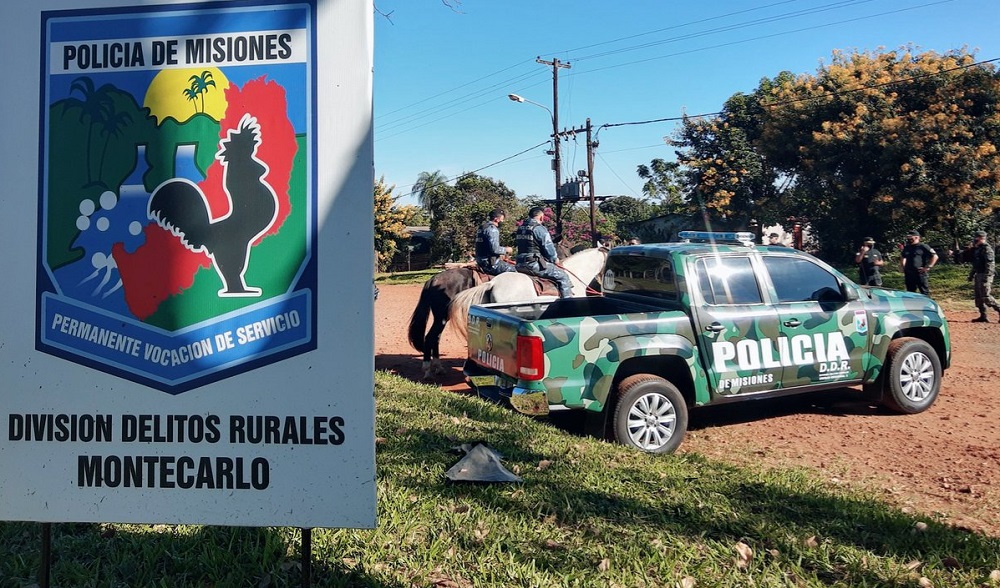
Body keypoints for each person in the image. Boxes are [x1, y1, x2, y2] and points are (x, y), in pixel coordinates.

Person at [515, 206, 574, 298]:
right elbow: (548, 247)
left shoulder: (520, 228)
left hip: (519, 264)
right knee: (563, 276)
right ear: (541, 217)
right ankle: (567, 302)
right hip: (533, 264)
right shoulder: (539, 229)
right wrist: (555, 259)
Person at [968, 230, 1000, 323]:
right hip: (978, 274)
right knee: (978, 297)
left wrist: (986, 277)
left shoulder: (987, 249)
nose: (975, 239)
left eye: (977, 238)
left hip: (985, 275)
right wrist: (971, 275)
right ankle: (983, 316)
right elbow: (976, 264)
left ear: (982, 238)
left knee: (986, 296)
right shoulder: (978, 249)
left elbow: (990, 264)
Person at [473, 208, 516, 275]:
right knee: (515, 271)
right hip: (489, 263)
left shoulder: (482, 227)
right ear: (496, 219)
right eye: (502, 219)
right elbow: (495, 249)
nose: (502, 221)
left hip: (480, 261)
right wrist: (507, 250)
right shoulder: (492, 229)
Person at [900, 229, 938, 295]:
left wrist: (928, 267)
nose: (909, 239)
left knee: (924, 292)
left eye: (910, 237)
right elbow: (903, 257)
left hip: (920, 273)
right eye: (908, 237)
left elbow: (935, 256)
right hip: (909, 273)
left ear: (916, 237)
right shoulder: (907, 247)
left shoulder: (923, 246)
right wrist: (903, 266)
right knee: (910, 292)